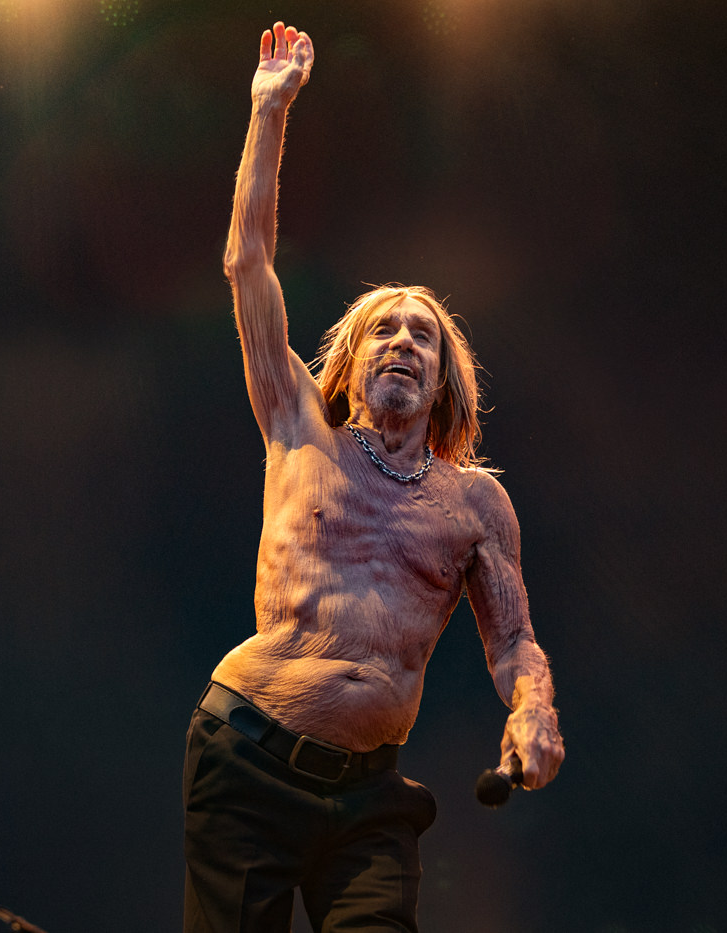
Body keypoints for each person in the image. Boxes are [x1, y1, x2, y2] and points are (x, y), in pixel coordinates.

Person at [183, 21, 565, 932]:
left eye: (421, 333)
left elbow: (513, 641)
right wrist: (269, 111)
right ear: (352, 367)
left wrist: (536, 709)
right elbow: (250, 264)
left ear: (442, 380)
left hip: (369, 800)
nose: (401, 340)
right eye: (383, 330)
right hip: (247, 762)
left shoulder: (474, 503)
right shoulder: (298, 428)